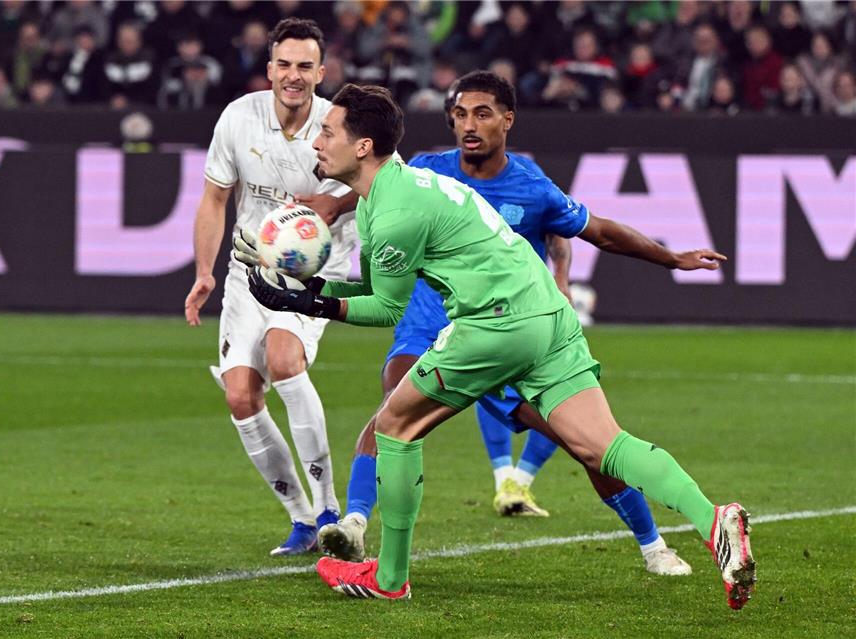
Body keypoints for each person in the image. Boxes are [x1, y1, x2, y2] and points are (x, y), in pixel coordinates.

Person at [242, 83, 756, 609]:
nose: (317, 141)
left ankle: (390, 577)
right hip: (550, 316)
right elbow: (372, 290)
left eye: (327, 131)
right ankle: (714, 519)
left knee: (394, 427)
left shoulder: (395, 214)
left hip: (495, 325)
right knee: (604, 445)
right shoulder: (399, 191)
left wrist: (307, 304)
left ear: (364, 146)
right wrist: (306, 292)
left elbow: (389, 310)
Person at [310, 71, 694, 578]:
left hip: (503, 327)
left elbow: (590, 230)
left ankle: (653, 544)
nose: (468, 125)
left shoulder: (530, 185)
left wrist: (666, 259)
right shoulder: (424, 168)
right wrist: (327, 208)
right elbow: (366, 191)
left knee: (582, 440)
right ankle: (356, 523)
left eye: (482, 113)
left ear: (507, 120)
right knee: (393, 407)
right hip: (429, 319)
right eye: (460, 114)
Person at [183, 18, 359, 557]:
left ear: (321, 72)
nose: (294, 76)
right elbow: (215, 197)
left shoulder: (340, 123)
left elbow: (384, 173)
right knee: (240, 395)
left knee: (284, 359)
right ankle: (302, 520)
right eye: (284, 65)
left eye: (305, 66)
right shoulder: (239, 117)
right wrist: (204, 271)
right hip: (248, 268)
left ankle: (330, 508)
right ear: (270, 69)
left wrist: (336, 203)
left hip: (314, 271)